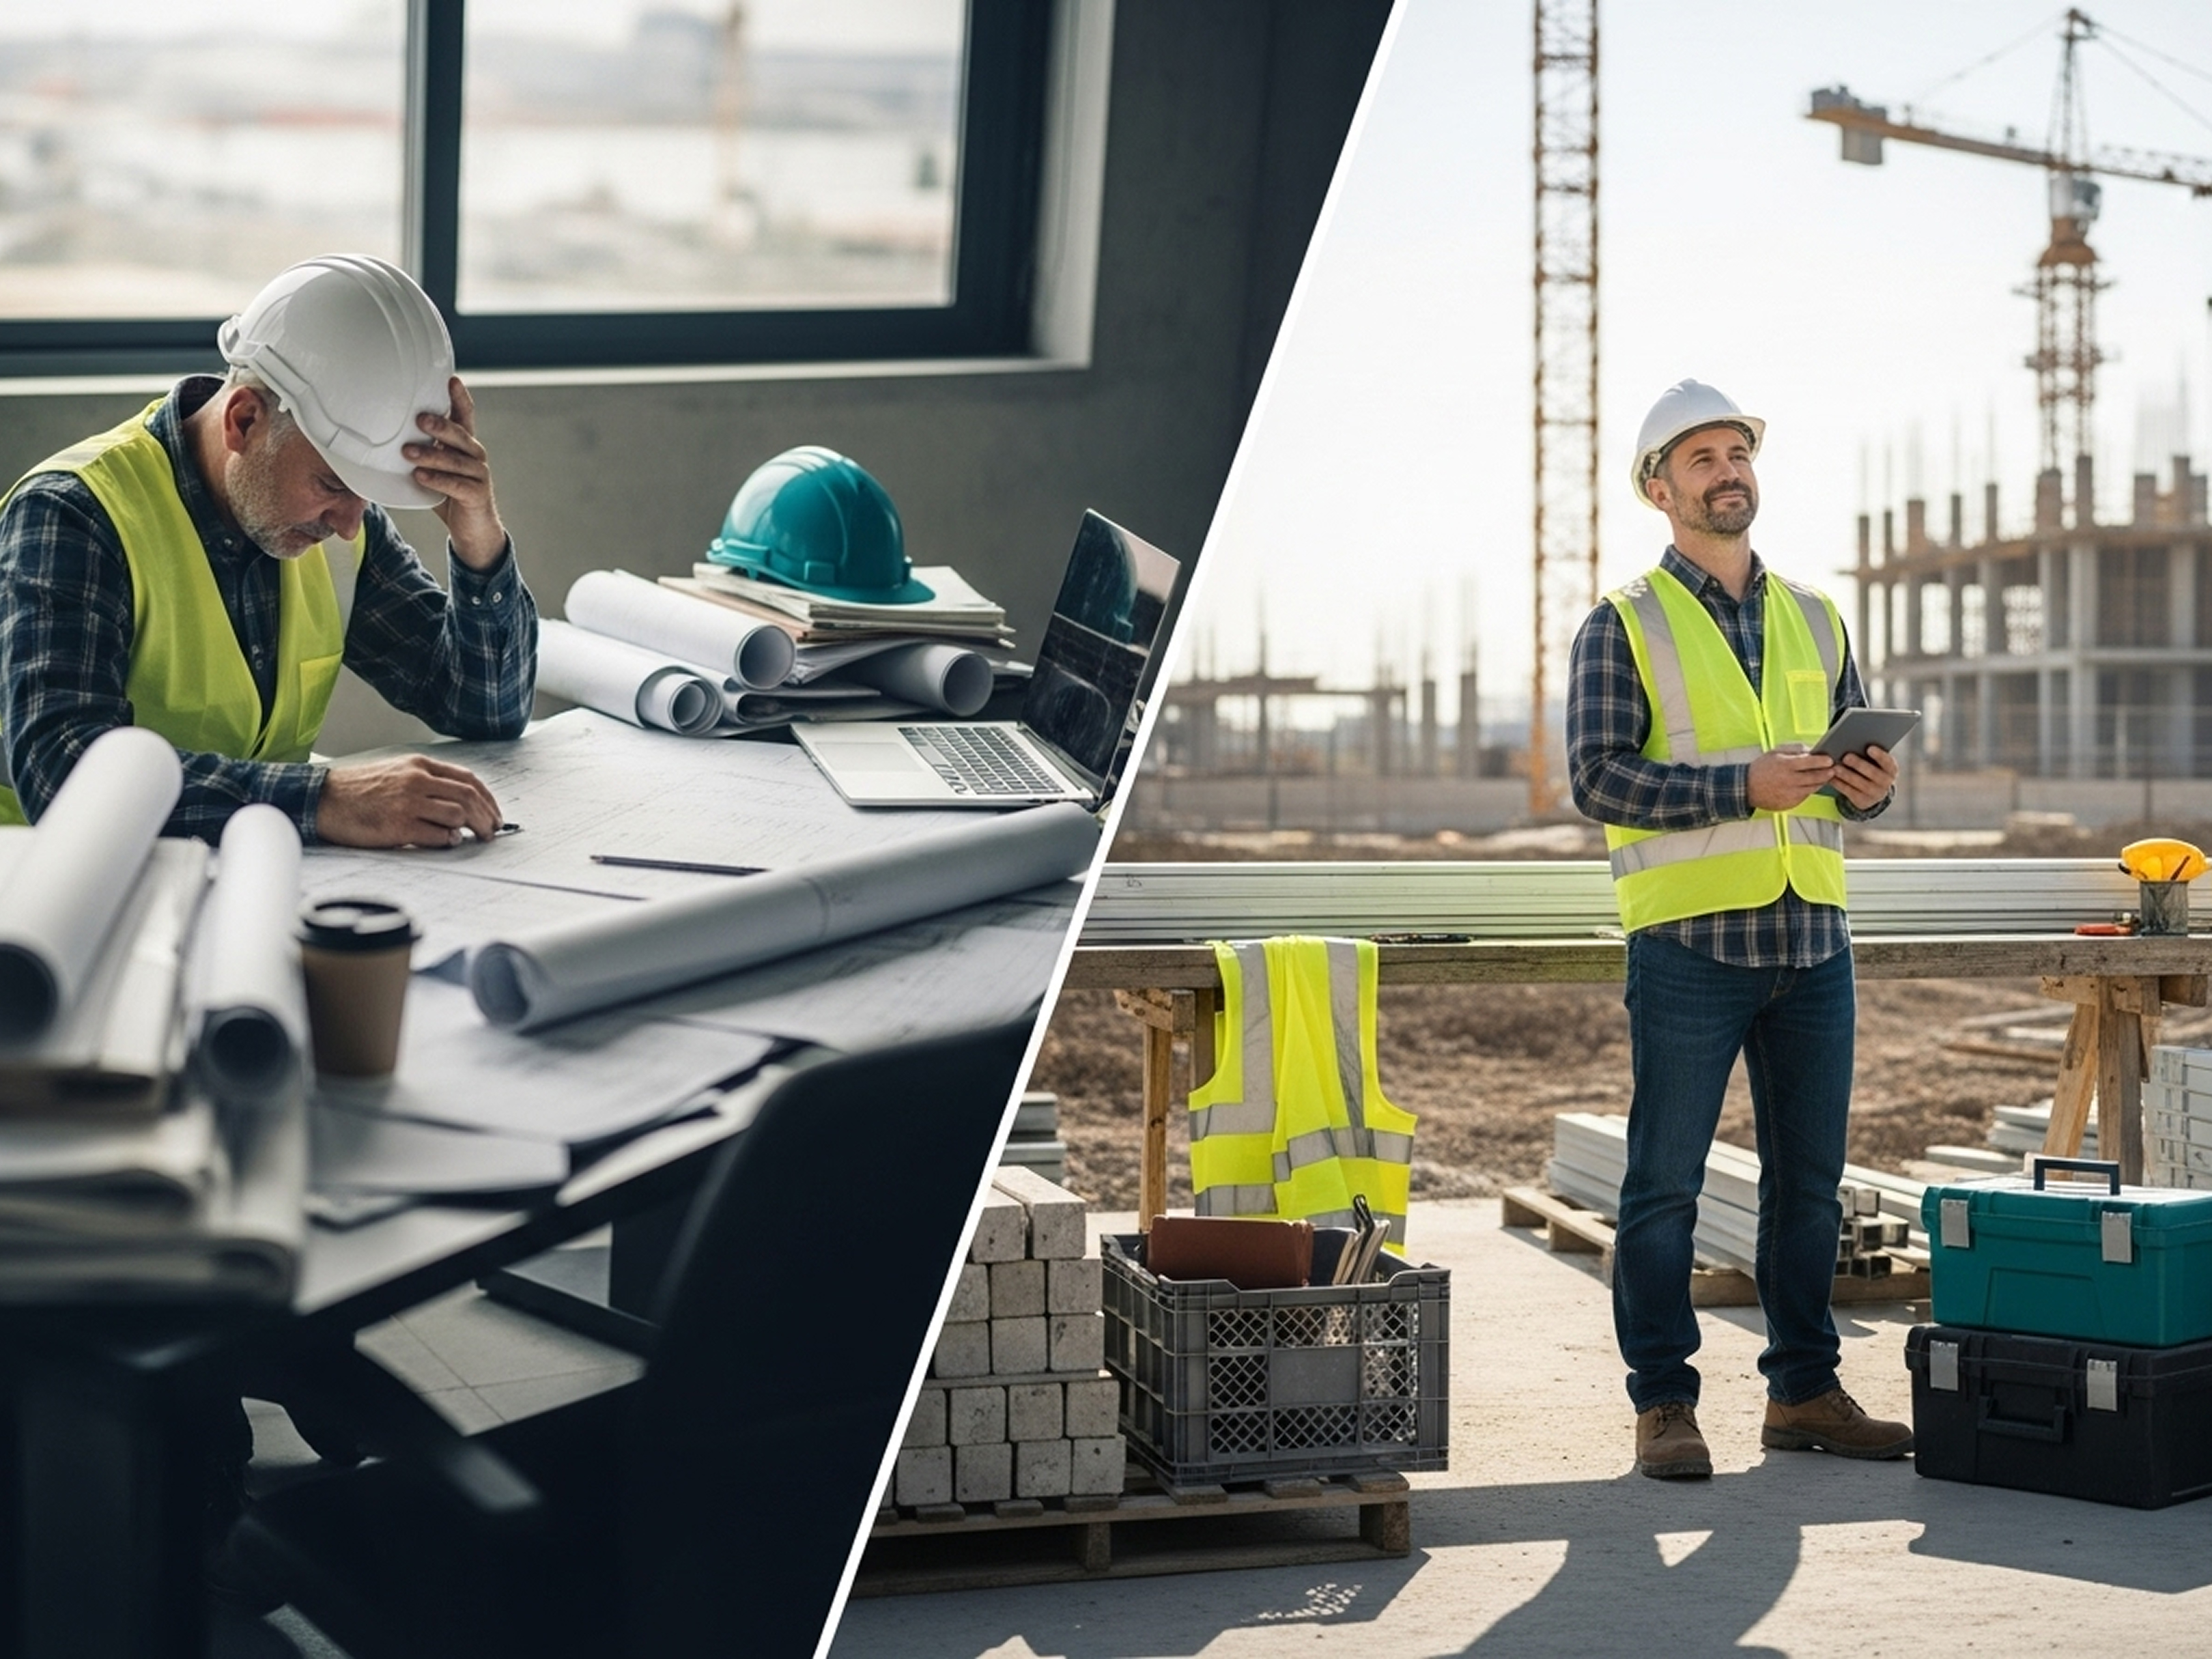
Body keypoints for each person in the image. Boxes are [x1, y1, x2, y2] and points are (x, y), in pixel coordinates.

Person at [1565, 379, 1913, 1480]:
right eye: (1704, 459)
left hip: (1812, 937)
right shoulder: (1621, 623)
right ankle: (1664, 1404)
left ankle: (1804, 1392)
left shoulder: (1818, 614)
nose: (1729, 473)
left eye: (1738, 454)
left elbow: (1858, 790)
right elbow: (1598, 780)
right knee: (1662, 1187)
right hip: (1688, 946)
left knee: (1809, 1188)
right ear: (1660, 489)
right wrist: (1739, 788)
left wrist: (1870, 786)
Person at [0, 253, 533, 845]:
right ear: (245, 420)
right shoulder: (73, 514)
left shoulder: (338, 522)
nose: (352, 526)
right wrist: (326, 800)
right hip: (50, 899)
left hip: (247, 885)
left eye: (365, 492)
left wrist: (477, 535)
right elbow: (62, 772)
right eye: (333, 484)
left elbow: (486, 711)